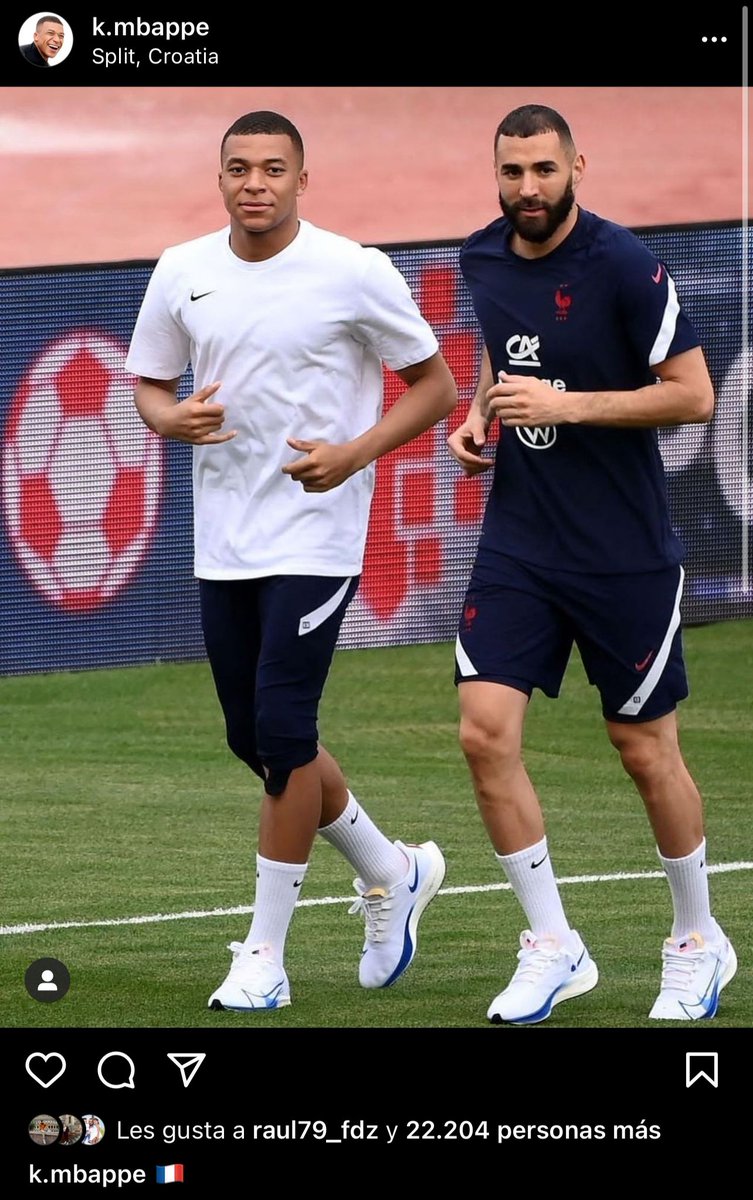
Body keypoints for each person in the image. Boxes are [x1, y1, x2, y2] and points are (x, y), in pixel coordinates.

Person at [125, 110, 456, 1012]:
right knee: (260, 740)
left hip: (318, 535)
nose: (256, 183)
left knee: (280, 731)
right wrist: (166, 419)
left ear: (302, 180)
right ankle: (391, 870)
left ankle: (263, 956)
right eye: (239, 168)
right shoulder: (182, 269)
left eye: (274, 169)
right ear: (220, 178)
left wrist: (352, 455)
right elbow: (150, 382)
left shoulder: (353, 270)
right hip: (223, 538)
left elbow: (436, 386)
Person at [448, 103, 737, 1025]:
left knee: (643, 749)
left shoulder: (623, 265)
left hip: (622, 555)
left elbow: (692, 394)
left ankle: (697, 941)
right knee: (482, 733)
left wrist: (565, 407)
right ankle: (552, 945)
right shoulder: (480, 256)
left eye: (542, 170)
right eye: (510, 173)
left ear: (577, 164)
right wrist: (479, 411)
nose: (526, 189)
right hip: (518, 542)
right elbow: (505, 344)